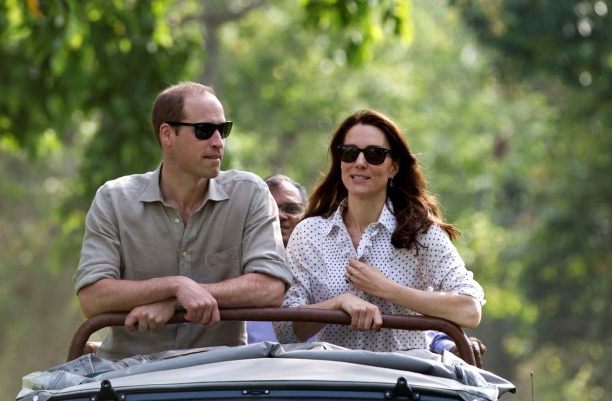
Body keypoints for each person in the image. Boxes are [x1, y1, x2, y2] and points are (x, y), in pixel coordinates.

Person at [74, 81, 293, 360]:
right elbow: (92, 298)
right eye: (204, 131)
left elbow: (270, 288)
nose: (218, 141)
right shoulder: (113, 200)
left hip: (221, 375)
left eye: (222, 129)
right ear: (167, 134)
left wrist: (175, 303)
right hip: (127, 376)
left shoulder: (250, 193)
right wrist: (174, 286)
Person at [273, 109, 485, 353]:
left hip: (405, 383)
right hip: (332, 383)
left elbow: (470, 310)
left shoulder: (420, 232)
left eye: (375, 154)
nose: (360, 163)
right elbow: (285, 330)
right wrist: (338, 305)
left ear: (393, 167)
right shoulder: (309, 233)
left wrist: (387, 289)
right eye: (350, 153)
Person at [247, 174, 308, 343]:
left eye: (291, 208)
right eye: (269, 207)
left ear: (306, 214)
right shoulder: (233, 267)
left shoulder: (324, 269)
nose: (280, 215)